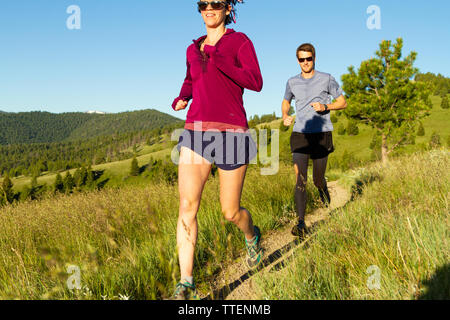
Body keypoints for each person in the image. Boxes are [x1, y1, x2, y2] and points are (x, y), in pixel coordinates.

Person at [170, 0, 264, 300]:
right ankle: (186, 282)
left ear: (228, 9)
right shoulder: (192, 49)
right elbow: (191, 79)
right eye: (203, 4)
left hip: (232, 133)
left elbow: (255, 81)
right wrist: (183, 96)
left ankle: (252, 235)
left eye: (215, 3)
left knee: (230, 211)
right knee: (187, 206)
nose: (208, 8)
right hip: (196, 131)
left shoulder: (240, 41)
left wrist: (218, 59)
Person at [282, 43, 347, 238]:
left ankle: (323, 190)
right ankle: (301, 223)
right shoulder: (292, 82)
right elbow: (286, 101)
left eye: (308, 59)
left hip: (321, 134)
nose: (305, 62)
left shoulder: (327, 79)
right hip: (300, 134)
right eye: (301, 59)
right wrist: (285, 114)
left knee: (317, 179)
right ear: (297, 61)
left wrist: (326, 106)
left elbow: (342, 102)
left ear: (314, 59)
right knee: (300, 178)